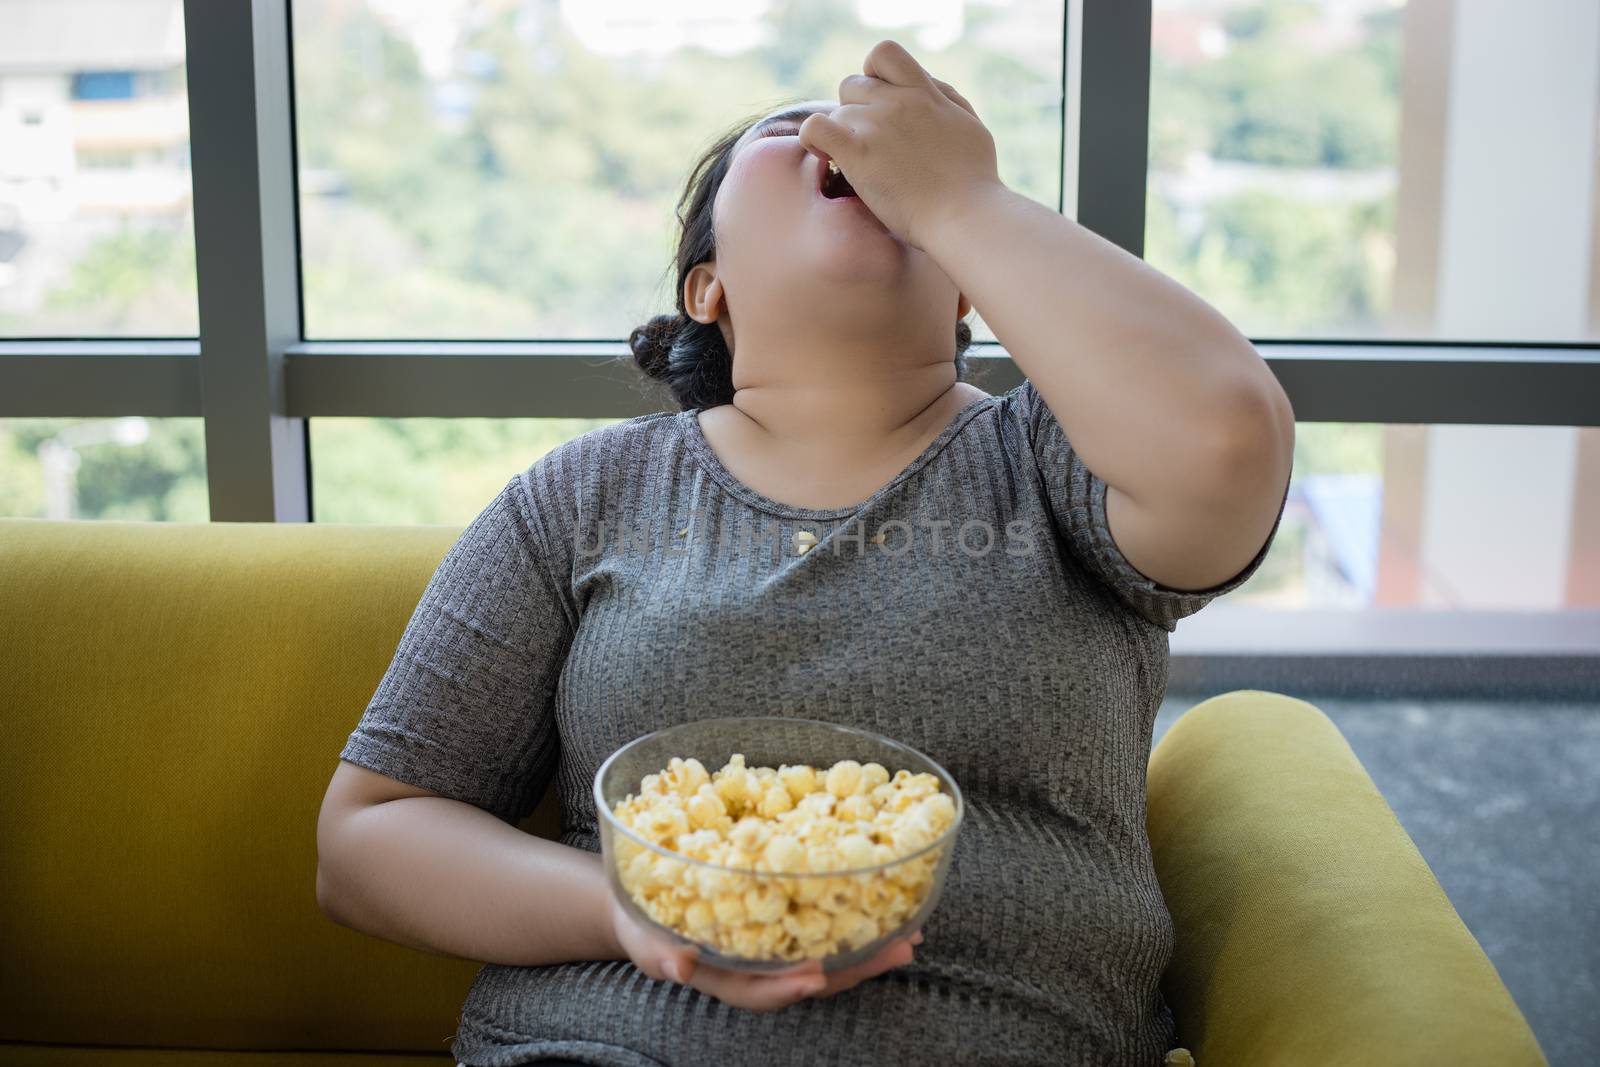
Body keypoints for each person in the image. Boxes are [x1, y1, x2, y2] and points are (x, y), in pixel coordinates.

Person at [318, 39, 1292, 1067]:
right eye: (789, 133)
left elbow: (1227, 446)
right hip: (596, 1042)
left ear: (966, 286)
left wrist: (961, 200)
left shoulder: (1060, 464)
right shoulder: (580, 497)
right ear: (707, 287)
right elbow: (367, 838)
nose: (839, 141)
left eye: (888, 158)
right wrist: (642, 910)